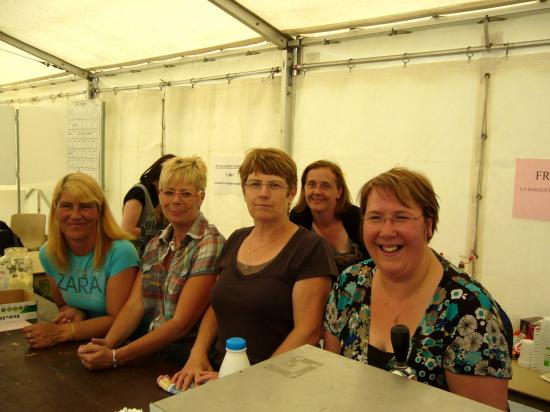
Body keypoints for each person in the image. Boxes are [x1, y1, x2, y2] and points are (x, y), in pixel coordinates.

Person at [323, 167, 511, 410]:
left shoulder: (470, 311)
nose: (387, 231)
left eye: (401, 217)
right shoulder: (349, 284)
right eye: (375, 217)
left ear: (428, 226)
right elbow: (331, 380)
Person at [165, 148, 337, 390]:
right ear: (244, 191)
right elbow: (217, 306)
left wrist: (247, 379)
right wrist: (197, 354)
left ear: (292, 193)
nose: (263, 194)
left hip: (276, 385)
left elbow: (307, 332)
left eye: (274, 185)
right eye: (254, 184)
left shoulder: (311, 248)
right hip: (215, 376)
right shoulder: (236, 239)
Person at [77, 156, 225, 369]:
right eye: (168, 192)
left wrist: (116, 356)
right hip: (155, 350)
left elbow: (180, 325)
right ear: (159, 194)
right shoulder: (156, 245)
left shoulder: (210, 244)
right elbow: (134, 305)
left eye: (185, 194)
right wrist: (107, 344)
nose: (175, 201)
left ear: (200, 198)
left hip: (189, 359)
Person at [22, 173, 139, 348]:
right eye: (66, 206)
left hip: (125, 346)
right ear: (55, 210)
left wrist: (63, 332)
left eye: (85, 206)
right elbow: (63, 305)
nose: (75, 215)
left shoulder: (121, 252)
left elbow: (118, 320)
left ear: (99, 211)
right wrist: (77, 312)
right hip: (85, 344)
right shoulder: (48, 253)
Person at [290, 160, 369, 275]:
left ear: (339, 192)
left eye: (325, 186)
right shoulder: (297, 218)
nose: (317, 192)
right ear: (304, 189)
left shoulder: (355, 217)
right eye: (311, 184)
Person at [122, 154, 175, 256]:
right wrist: (159, 233)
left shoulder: (161, 194)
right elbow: (127, 229)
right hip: (135, 254)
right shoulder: (138, 192)